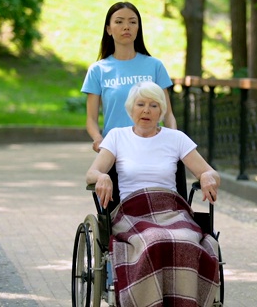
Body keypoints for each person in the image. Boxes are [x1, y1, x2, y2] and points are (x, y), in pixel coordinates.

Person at [86, 81, 220, 307]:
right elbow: (91, 173)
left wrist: (208, 176)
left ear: (161, 111)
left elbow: (209, 171)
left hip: (171, 210)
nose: (146, 110)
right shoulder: (117, 137)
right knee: (154, 240)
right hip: (133, 212)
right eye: (140, 104)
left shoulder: (176, 138)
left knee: (186, 239)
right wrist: (102, 177)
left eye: (153, 105)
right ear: (131, 108)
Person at [81, 1, 178, 211]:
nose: (126, 27)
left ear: (138, 28)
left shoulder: (155, 66)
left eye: (132, 22)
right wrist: (99, 139)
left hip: (154, 146)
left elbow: (168, 114)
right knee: (115, 213)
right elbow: (91, 119)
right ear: (108, 29)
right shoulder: (98, 70)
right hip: (116, 151)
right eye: (119, 22)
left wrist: (174, 138)